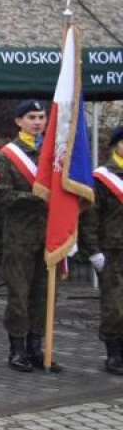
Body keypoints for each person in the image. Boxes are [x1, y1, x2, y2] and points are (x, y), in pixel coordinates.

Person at [0, 100, 60, 372]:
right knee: (19, 294)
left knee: (44, 294)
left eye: (41, 117)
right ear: (19, 121)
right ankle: (17, 349)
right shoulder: (8, 156)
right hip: (19, 236)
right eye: (32, 117)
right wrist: (34, 198)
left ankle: (37, 347)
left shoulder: (53, 153)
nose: (38, 122)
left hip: (48, 234)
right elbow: (0, 194)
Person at [80, 125, 123, 375]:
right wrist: (93, 251)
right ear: (116, 145)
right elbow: (90, 218)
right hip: (112, 249)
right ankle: (114, 353)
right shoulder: (103, 177)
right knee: (114, 305)